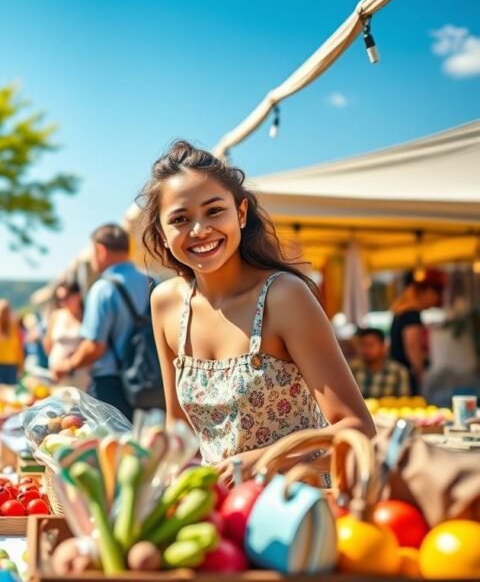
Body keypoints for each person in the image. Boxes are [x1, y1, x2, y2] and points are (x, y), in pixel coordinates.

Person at [139, 140, 374, 486]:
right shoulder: (166, 302)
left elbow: (358, 431)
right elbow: (180, 433)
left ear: (242, 213)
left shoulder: (285, 296)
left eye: (214, 211)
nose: (200, 230)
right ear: (162, 231)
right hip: (217, 513)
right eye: (180, 219)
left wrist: (267, 461)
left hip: (297, 506)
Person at [51, 224, 160, 419]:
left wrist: (67, 365)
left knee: (109, 446)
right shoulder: (154, 283)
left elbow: (95, 347)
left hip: (111, 385)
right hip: (152, 381)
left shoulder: (103, 289)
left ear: (100, 250)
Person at [389, 270, 445, 397]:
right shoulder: (411, 314)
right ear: (426, 292)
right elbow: (412, 346)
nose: (436, 300)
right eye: (435, 294)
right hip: (406, 374)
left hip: (399, 371)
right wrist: (420, 373)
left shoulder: (402, 310)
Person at [44, 282, 90, 388]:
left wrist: (69, 362)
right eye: (59, 299)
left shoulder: (87, 316)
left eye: (66, 297)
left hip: (80, 373)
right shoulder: (56, 315)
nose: (63, 302)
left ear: (78, 295)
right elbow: (48, 343)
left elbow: (90, 344)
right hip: (57, 373)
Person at [349, 328, 411, 399]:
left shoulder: (399, 371)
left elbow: (404, 402)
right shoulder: (353, 370)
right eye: (363, 345)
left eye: (370, 345)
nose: (366, 349)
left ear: (383, 347)